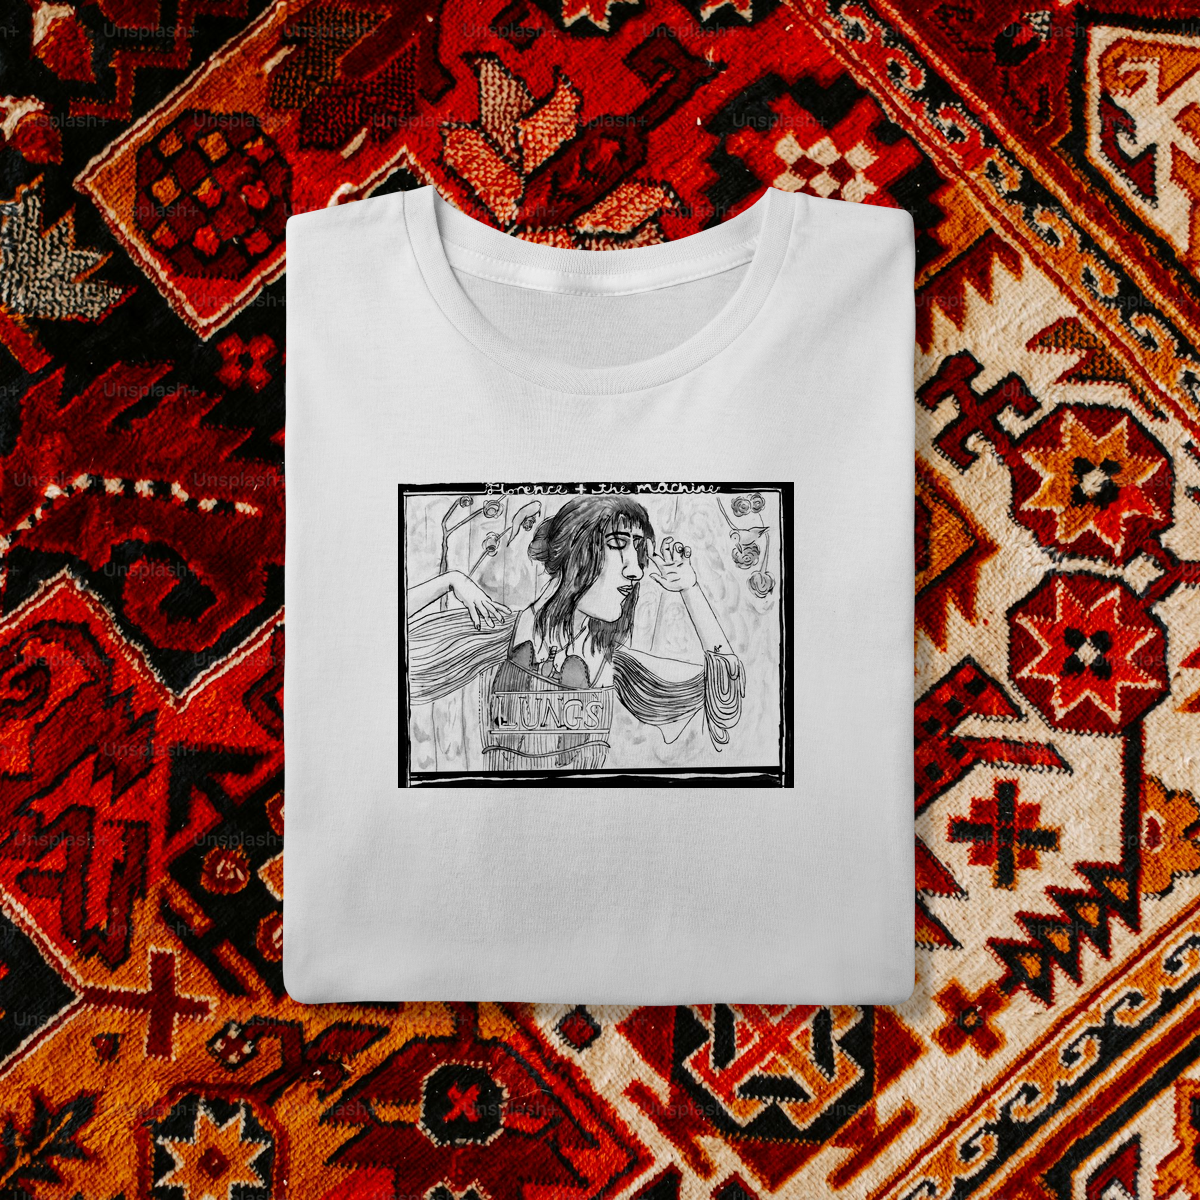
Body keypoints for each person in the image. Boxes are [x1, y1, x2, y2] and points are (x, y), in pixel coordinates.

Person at [405, 495, 744, 771]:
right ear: (573, 549)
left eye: (639, 551)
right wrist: (450, 581)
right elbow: (385, 641)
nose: (636, 571)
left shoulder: (614, 667)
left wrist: (690, 588)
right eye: (617, 544)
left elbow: (724, 691)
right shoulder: (497, 633)